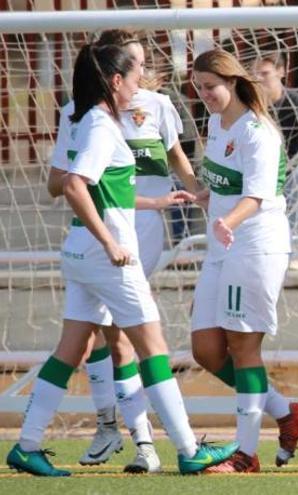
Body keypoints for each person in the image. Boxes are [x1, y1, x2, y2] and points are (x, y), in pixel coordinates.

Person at [6, 42, 237, 477]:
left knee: (70, 349)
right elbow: (74, 185)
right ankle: (189, 451)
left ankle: (28, 445)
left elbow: (103, 189)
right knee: (153, 348)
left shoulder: (96, 121)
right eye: (135, 77)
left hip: (79, 253)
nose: (139, 86)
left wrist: (158, 201)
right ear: (116, 81)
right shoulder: (99, 124)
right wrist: (111, 243)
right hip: (103, 256)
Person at [45, 29, 202, 473]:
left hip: (143, 227)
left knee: (120, 336)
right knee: (103, 336)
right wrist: (83, 168)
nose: (141, 74)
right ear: (113, 73)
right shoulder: (81, 114)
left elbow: (177, 159)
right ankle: (129, 434)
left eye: (143, 63)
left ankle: (142, 442)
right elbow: (59, 183)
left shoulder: (158, 106)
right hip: (106, 232)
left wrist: (200, 195)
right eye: (133, 65)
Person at [189, 48, 298, 473]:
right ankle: (286, 412)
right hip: (222, 246)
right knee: (206, 349)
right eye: (199, 87)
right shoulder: (214, 122)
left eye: (210, 86)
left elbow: (256, 196)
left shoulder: (257, 130)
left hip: (255, 244)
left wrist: (227, 219)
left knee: (243, 347)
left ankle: (246, 454)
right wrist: (207, 195)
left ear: (232, 81)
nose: (204, 94)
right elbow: (225, 180)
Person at [253, 54, 298, 239]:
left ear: (281, 72)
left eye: (264, 73)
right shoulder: (248, 107)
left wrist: (277, 172)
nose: (258, 79)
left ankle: (290, 243)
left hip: (288, 172)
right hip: (255, 171)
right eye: (254, 74)